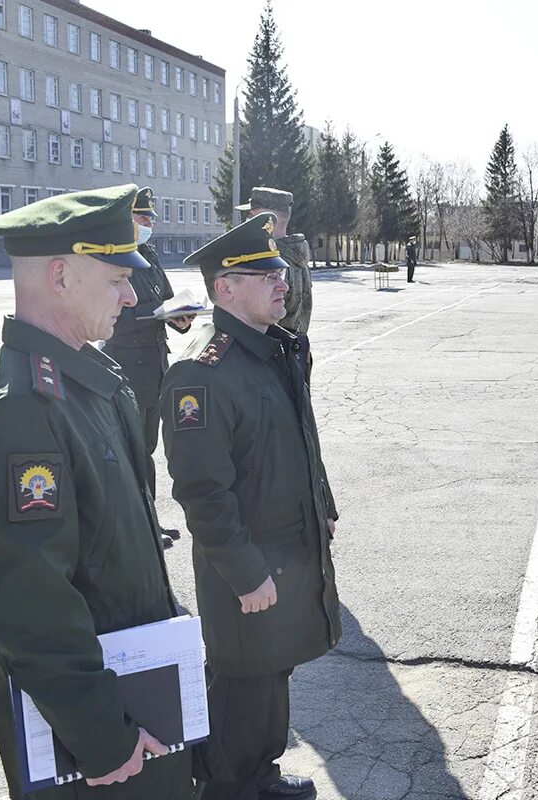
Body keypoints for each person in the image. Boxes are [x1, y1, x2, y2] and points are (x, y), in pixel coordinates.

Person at [0, 184, 194, 799]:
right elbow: (30, 604)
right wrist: (102, 736)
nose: (133, 293)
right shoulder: (24, 409)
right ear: (60, 275)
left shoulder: (87, 378)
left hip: (131, 696)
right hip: (95, 745)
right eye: (117, 276)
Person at [161, 212, 342, 800]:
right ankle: (231, 787)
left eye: (281, 270)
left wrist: (325, 504)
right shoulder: (202, 371)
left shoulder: (274, 351)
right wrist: (245, 572)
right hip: (249, 564)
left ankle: (257, 777)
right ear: (224, 289)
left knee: (270, 672)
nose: (282, 282)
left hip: (286, 549)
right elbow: (201, 490)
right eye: (265, 274)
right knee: (243, 681)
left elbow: (301, 438)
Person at [103, 187, 195, 548]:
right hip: (127, 361)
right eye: (142, 219)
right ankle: (137, 526)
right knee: (133, 449)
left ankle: (148, 519)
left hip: (155, 364)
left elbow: (166, 301)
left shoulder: (150, 254)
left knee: (147, 448)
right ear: (128, 221)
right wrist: (156, 316)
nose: (148, 225)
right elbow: (119, 314)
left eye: (150, 219)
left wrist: (180, 318)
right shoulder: (119, 259)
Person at [236, 187, 312, 334]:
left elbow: (258, 317)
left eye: (251, 214)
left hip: (272, 350)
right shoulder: (297, 251)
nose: (247, 220)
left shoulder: (271, 261)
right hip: (295, 349)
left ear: (268, 218)